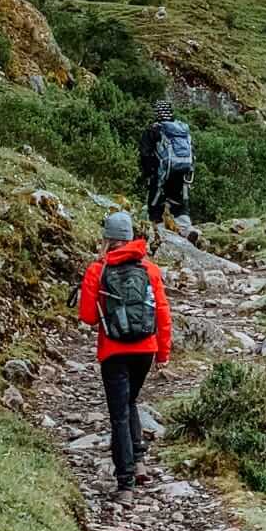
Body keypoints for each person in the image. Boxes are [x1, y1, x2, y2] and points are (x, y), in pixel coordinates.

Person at [78, 209, 172, 504]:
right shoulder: (150, 269)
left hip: (114, 351)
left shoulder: (98, 270)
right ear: (131, 238)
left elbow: (88, 316)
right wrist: (163, 353)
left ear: (107, 239)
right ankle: (140, 461)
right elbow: (162, 313)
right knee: (131, 401)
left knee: (119, 414)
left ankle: (126, 485)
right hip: (146, 349)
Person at [139, 99, 196, 246]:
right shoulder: (182, 128)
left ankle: (159, 234)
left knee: (155, 203)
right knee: (180, 204)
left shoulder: (153, 130)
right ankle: (187, 230)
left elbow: (145, 154)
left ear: (156, 113)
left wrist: (147, 174)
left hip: (161, 173)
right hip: (182, 171)